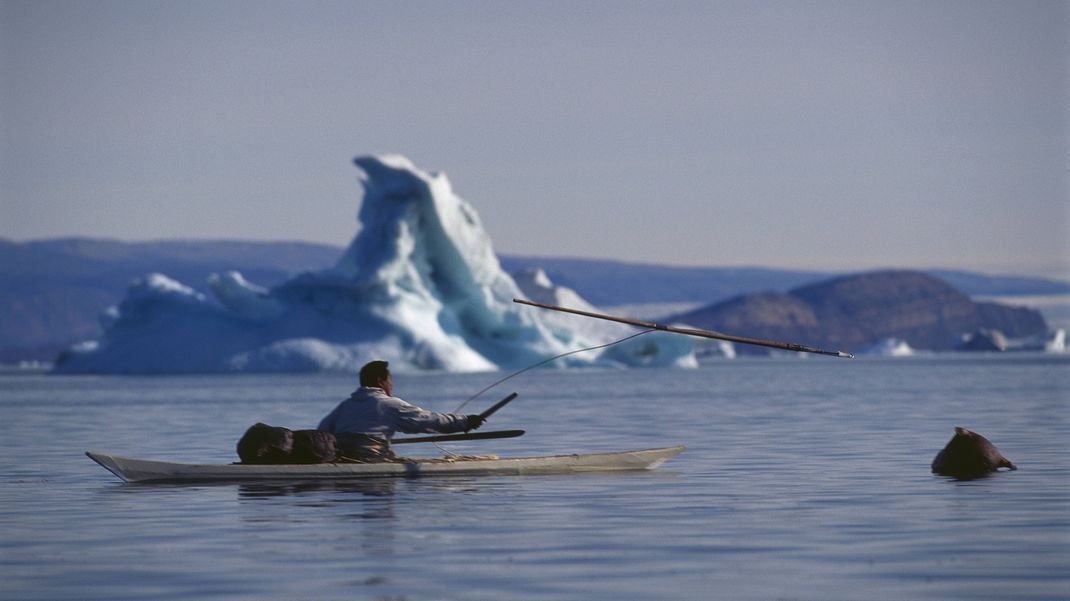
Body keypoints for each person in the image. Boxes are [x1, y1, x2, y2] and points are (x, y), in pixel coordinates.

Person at [318, 360, 485, 461]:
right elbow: (426, 420)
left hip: (342, 458)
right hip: (371, 460)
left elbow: (323, 431)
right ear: (380, 381)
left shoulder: (346, 405)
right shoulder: (387, 404)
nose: (392, 384)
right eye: (390, 380)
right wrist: (465, 422)